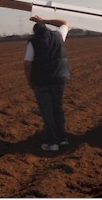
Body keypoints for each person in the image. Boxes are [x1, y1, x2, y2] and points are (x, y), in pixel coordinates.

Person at [24, 15, 71, 152]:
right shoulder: (59, 35)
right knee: (58, 108)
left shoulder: (33, 41)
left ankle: (52, 143)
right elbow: (64, 22)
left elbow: (27, 64)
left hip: (42, 82)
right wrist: (44, 20)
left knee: (47, 112)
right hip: (59, 79)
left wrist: (30, 82)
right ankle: (63, 139)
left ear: (35, 31)